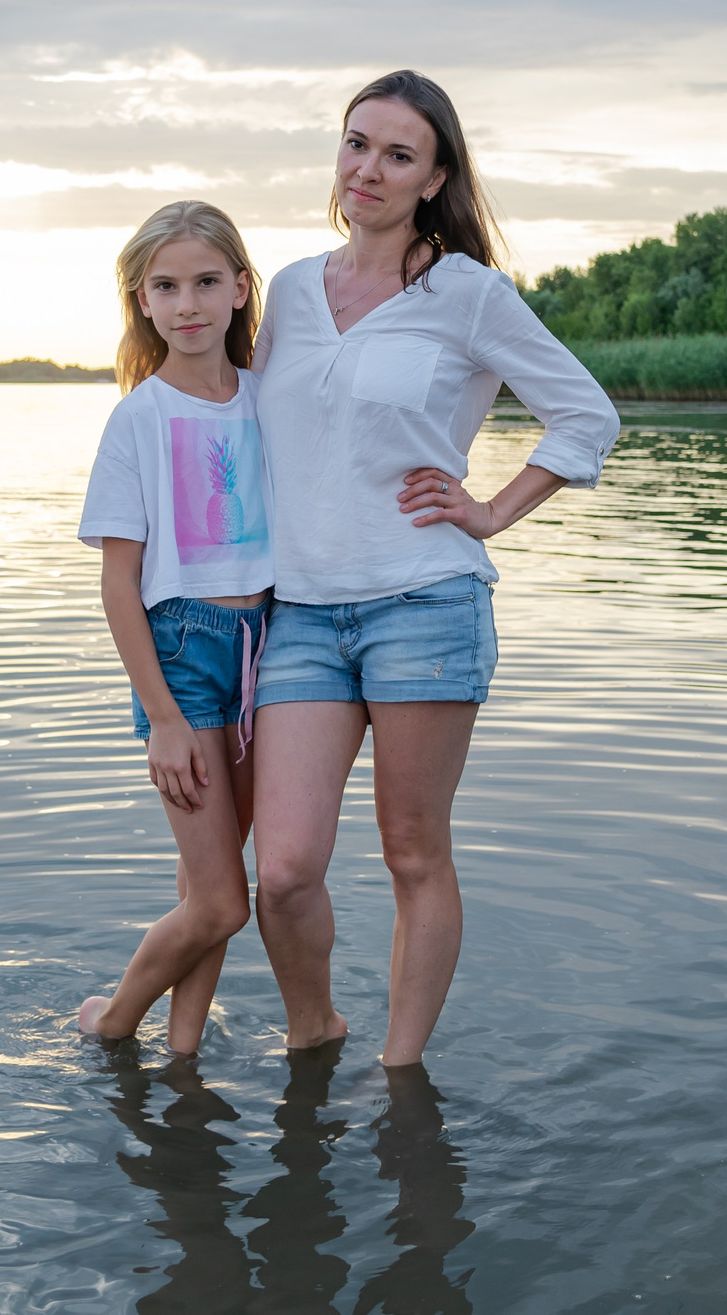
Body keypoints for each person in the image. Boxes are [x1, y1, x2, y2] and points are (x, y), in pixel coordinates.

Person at [249, 70, 620, 1067]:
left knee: (413, 852)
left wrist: (491, 509)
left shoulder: (468, 293)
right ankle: (313, 1027)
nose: (367, 167)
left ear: (433, 176)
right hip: (303, 612)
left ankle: (400, 1069)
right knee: (281, 869)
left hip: (423, 600)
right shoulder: (285, 289)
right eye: (355, 142)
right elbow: (251, 431)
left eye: (397, 154)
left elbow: (587, 414)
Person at [75, 201, 274, 1055]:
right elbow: (119, 583)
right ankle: (116, 1020)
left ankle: (184, 1046)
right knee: (225, 900)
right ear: (142, 302)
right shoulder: (138, 418)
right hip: (183, 657)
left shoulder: (271, 401)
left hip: (272, 651)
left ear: (238, 289)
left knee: (209, 881)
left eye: (204, 281)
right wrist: (161, 716)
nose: (187, 303)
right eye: (166, 286)